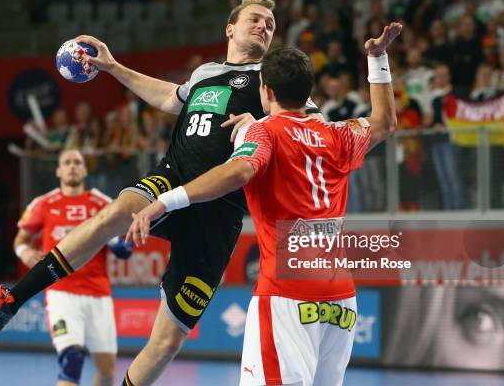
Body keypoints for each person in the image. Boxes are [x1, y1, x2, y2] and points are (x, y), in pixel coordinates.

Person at [0, 0, 321, 386]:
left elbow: (314, 126)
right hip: (172, 176)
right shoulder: (205, 73)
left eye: (270, 23)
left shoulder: (274, 79)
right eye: (256, 18)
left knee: (167, 341)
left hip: (219, 211)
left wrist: (263, 125)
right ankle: (9, 302)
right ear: (230, 29)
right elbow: (168, 97)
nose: (264, 26)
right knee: (114, 213)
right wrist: (113, 67)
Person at [126, 24, 402, 385]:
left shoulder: (265, 131)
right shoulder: (337, 134)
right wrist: (377, 57)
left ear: (265, 90)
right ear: (308, 92)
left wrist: (166, 200)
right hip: (341, 300)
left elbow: (238, 172)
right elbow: (384, 122)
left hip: (286, 297)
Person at [0, 149, 131, 386]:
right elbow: (21, 239)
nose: (72, 166)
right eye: (67, 162)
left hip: (99, 294)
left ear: (85, 169)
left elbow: (124, 249)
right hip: (61, 293)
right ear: (58, 170)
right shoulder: (44, 203)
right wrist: (25, 252)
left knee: (108, 370)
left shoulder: (102, 203)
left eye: (77, 162)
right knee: (72, 361)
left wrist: (113, 239)